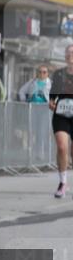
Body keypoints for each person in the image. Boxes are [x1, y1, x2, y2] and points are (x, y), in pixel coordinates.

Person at [51, 45, 73, 198]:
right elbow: (53, 95)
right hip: (61, 113)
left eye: (72, 52)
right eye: (68, 52)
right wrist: (51, 102)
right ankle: (63, 182)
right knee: (62, 146)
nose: (70, 55)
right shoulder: (59, 74)